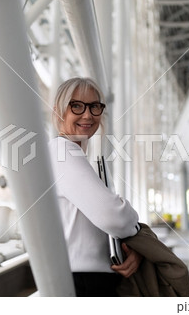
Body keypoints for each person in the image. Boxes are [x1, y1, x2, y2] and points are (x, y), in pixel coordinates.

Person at [48, 77, 143, 297]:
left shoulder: (70, 154)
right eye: (77, 106)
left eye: (94, 106)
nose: (88, 114)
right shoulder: (63, 151)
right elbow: (114, 217)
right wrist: (134, 226)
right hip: (82, 282)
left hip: (86, 279)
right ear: (58, 112)